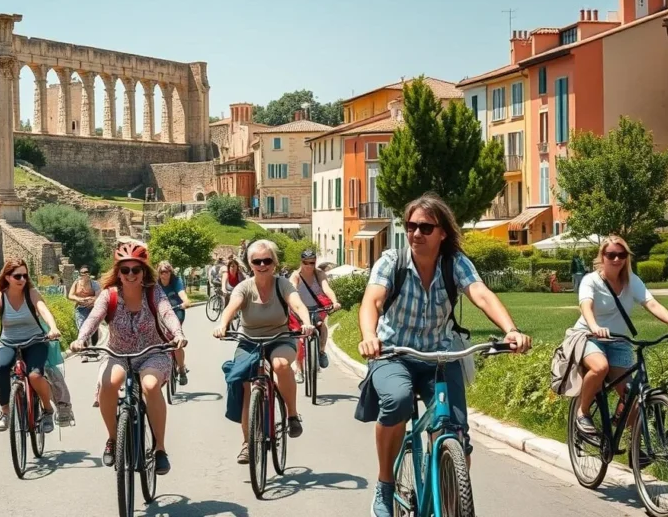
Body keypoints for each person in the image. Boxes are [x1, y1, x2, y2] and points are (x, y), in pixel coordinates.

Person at [354, 194, 532, 517]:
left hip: (440, 355)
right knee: (397, 399)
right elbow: (372, 301)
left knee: (455, 434)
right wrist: (369, 337)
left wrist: (511, 329)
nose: (416, 234)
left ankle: (451, 501)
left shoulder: (455, 264)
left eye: (425, 227)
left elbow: (480, 293)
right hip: (393, 353)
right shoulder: (391, 262)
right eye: (410, 226)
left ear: (442, 233)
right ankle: (385, 484)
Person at [70, 242, 186, 474]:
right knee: (108, 383)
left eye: (136, 269)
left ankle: (160, 449)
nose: (131, 274)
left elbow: (167, 312)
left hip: (152, 352)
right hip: (118, 353)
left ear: (144, 272)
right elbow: (93, 318)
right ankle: (113, 438)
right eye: (125, 270)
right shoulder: (108, 295)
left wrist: (178, 333)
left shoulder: (153, 292)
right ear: (118, 273)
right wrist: (81, 338)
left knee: (150, 385)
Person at [572, 236, 668, 435]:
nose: (616, 259)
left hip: (619, 340)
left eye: (621, 255)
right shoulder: (591, 280)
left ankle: (636, 449)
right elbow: (585, 305)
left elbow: (652, 304)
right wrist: (594, 326)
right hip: (589, 336)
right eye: (611, 254)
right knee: (600, 367)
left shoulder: (632, 281)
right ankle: (582, 412)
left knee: (632, 395)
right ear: (602, 256)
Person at [213, 239, 314, 464]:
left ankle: (292, 415)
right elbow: (232, 305)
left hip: (280, 338)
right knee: (247, 385)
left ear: (274, 263)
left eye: (266, 260)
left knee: (280, 365)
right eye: (256, 261)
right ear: (250, 264)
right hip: (249, 340)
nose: (262, 265)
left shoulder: (283, 284)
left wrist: (306, 322)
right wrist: (223, 324)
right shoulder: (244, 287)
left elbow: (296, 304)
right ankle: (248, 444)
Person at [0, 259, 62, 433]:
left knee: (35, 375)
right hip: (8, 342)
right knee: (1, 369)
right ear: (7, 277)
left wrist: (53, 328)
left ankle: (47, 410)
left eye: (24, 275)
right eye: (17, 276)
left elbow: (44, 311)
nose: (22, 279)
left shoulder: (32, 294)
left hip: (35, 341)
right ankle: (5, 412)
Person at [288, 248, 341, 381]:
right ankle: (298, 368)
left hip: (316, 308)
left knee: (321, 326)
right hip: (299, 310)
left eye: (312, 263)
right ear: (301, 262)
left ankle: (322, 351)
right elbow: (292, 289)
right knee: (299, 337)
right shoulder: (296, 275)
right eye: (306, 263)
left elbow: (326, 288)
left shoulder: (319, 274)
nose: (309, 266)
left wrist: (335, 301)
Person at [157, 261, 191, 385]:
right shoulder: (156, 284)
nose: (164, 274)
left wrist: (185, 301)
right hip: (161, 313)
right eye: (161, 272)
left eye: (166, 272)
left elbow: (182, 294)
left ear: (170, 272)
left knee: (177, 340)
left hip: (176, 311)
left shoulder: (176, 282)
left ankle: (181, 369)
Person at [67, 266, 101, 361]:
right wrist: (80, 299)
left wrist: (91, 300)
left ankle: (94, 348)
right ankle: (84, 352)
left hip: (92, 308)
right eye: (82, 272)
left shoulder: (94, 284)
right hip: (80, 309)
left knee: (93, 328)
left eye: (86, 272)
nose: (85, 274)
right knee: (82, 329)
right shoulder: (76, 283)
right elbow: (70, 295)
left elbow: (99, 295)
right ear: (80, 274)